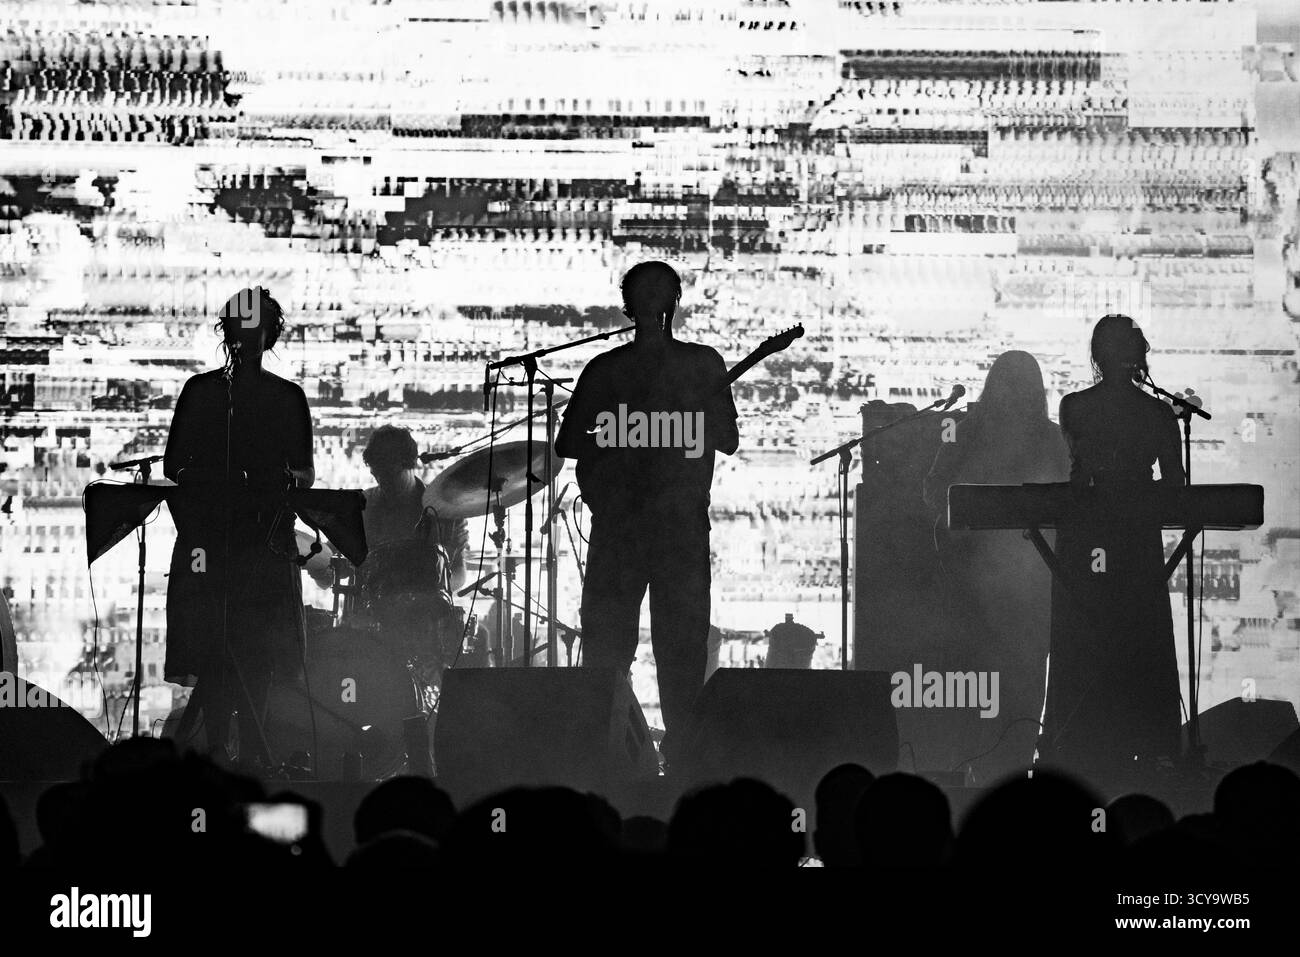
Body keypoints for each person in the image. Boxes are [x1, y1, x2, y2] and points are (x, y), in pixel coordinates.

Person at [555, 261, 738, 763]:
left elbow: (727, 439)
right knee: (622, 652)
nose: (657, 305)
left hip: (661, 529)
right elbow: (569, 441)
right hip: (634, 529)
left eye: (661, 295)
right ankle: (636, 759)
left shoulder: (692, 366)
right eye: (651, 295)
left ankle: (644, 761)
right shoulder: (616, 370)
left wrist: (689, 407)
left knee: (660, 652)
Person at [163, 287, 314, 767]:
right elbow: (173, 463)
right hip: (222, 540)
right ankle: (225, 753)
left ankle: (246, 753)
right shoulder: (206, 392)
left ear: (267, 336)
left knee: (254, 653)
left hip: (251, 542)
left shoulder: (285, 397)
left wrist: (270, 481)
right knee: (219, 650)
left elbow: (305, 473)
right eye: (239, 327)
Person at [1038, 314, 1185, 783]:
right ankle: (1149, 745)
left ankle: (1074, 742)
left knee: (1082, 632)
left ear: (1097, 356)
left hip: (1086, 537)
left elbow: (1080, 474)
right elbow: (1175, 488)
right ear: (1137, 355)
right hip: (1136, 537)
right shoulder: (1159, 413)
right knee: (1140, 633)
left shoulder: (1075, 406)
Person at [923, 351, 1069, 781]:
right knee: (1017, 692)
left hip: (1015, 591)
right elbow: (936, 494)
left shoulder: (971, 433)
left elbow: (932, 492)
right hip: (998, 592)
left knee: (996, 691)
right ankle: (1001, 775)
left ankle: (988, 777)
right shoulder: (1047, 437)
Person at [357, 425, 470, 691]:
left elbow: (460, 573)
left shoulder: (444, 508)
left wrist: (432, 595)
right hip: (375, 619)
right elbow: (345, 566)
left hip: (427, 621)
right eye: (377, 473)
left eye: (389, 472)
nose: (383, 480)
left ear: (409, 464)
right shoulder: (363, 506)